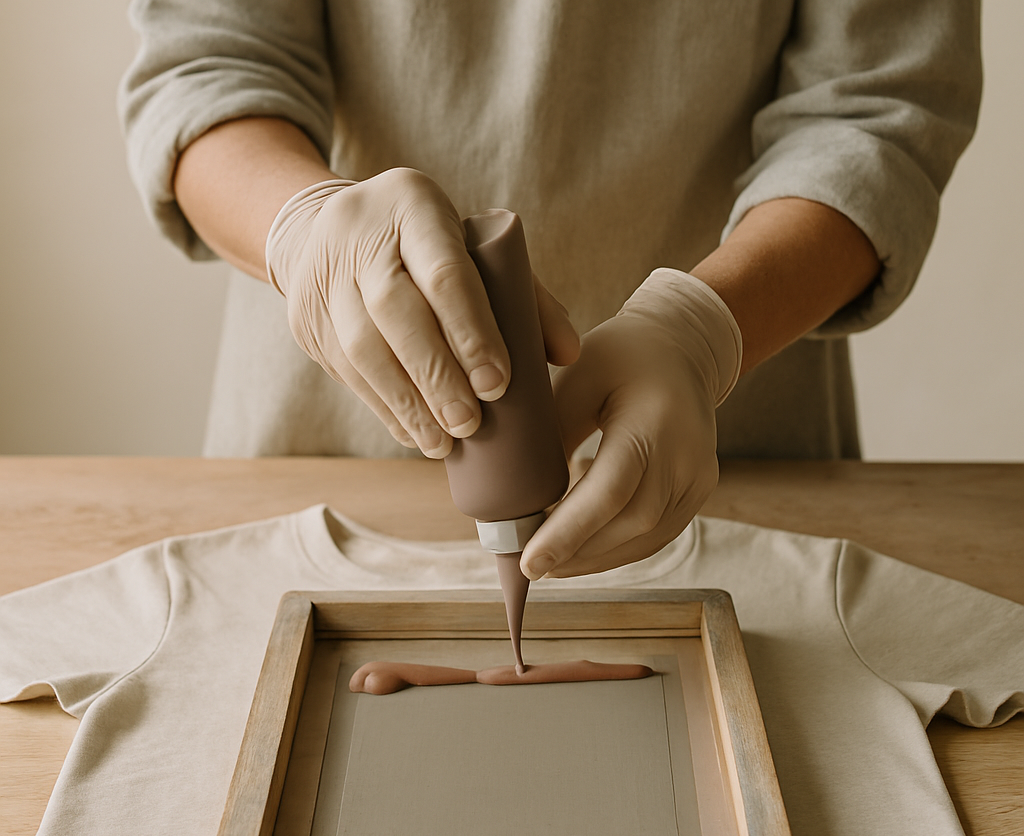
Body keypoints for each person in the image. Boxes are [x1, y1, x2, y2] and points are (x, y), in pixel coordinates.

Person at [118, 1, 980, 579]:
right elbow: (207, 63)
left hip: (730, 457)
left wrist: (702, 331)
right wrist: (306, 230)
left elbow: (875, 109)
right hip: (332, 457)